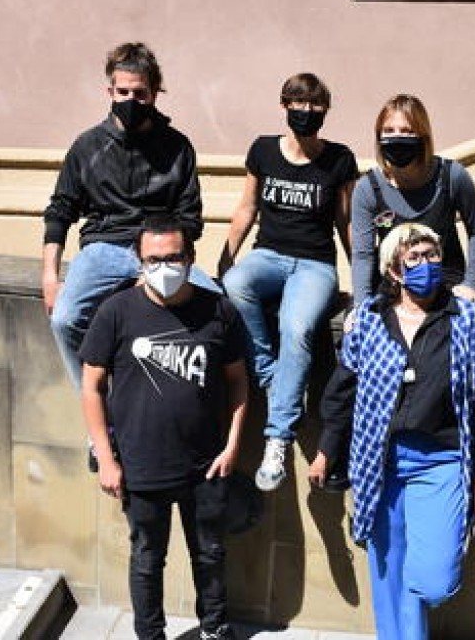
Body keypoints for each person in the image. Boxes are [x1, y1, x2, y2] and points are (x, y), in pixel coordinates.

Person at [308, 223, 475, 640]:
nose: (425, 264)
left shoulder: (468, 318)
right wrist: (326, 450)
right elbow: (343, 390)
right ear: (394, 270)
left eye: (431, 255)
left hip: (442, 461)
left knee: (433, 579)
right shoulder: (369, 320)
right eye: (413, 258)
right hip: (378, 460)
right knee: (388, 569)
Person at [79, 215, 248, 640]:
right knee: (147, 558)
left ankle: (214, 628)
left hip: (206, 465)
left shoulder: (219, 311)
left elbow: (238, 381)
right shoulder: (116, 312)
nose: (164, 267)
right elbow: (91, 387)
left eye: (173, 257)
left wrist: (232, 446)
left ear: (190, 256)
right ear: (140, 260)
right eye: (153, 259)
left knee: (209, 553)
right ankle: (150, 635)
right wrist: (106, 459)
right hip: (141, 465)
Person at [43, 42, 212, 391]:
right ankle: (96, 405)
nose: (131, 100)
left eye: (140, 93)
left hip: (162, 250)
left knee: (217, 306)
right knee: (64, 319)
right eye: (123, 92)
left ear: (155, 93)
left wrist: (158, 263)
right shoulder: (87, 146)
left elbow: (190, 218)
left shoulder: (178, 147)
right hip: (103, 248)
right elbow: (60, 210)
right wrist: (49, 276)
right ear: (110, 91)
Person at [218, 73, 358, 492]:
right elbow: (247, 208)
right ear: (284, 106)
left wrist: (363, 284)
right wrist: (225, 261)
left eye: (315, 106)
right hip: (268, 255)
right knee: (236, 285)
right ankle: (270, 375)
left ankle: (277, 437)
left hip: (315, 265)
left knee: (296, 328)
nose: (306, 112)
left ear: (325, 111)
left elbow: (346, 223)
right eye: (298, 103)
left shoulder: (339, 159)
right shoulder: (263, 151)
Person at [350, 94, 475, 307]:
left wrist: (470, 284)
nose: (397, 138)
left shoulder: (452, 176)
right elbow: (363, 254)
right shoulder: (367, 188)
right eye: (389, 131)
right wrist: (360, 305)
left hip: (445, 282)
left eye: (406, 131)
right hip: (392, 284)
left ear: (423, 136)